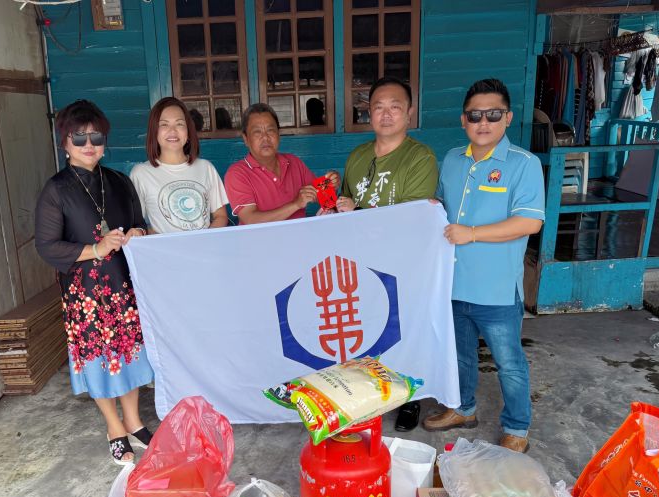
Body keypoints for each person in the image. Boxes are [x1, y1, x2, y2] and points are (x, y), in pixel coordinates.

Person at [422, 78, 544, 453]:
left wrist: (471, 233)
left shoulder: (524, 164)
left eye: (493, 114)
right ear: (464, 120)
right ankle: (463, 408)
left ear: (507, 118)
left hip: (496, 289)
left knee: (509, 364)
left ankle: (517, 427)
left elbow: (529, 222)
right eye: (475, 115)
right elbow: (441, 205)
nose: (483, 122)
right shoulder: (453, 160)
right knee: (459, 355)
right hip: (454, 285)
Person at [35, 100, 154, 465]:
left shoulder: (118, 181)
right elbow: (47, 246)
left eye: (96, 137)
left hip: (122, 285)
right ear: (65, 142)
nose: (89, 144)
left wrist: (136, 232)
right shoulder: (56, 190)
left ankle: (133, 421)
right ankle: (114, 427)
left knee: (129, 356)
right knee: (100, 361)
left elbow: (139, 223)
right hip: (84, 294)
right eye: (79, 137)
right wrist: (96, 247)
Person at [336, 77, 438, 432]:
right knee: (368, 332)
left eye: (395, 106)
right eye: (378, 106)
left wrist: (356, 210)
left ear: (409, 113)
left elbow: (411, 218)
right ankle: (372, 395)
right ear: (369, 113)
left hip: (404, 262)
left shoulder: (420, 157)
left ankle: (409, 400)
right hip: (362, 262)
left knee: (404, 332)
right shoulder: (358, 156)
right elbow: (344, 209)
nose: (386, 114)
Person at [224, 103, 339, 224]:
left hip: (299, 239)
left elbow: (321, 196)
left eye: (270, 130)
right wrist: (296, 204)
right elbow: (250, 219)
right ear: (246, 139)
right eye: (257, 132)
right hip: (259, 242)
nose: (265, 138)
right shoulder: (237, 174)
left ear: (278, 134)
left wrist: (331, 183)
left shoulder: (293, 162)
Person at [130, 97, 229, 234]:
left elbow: (221, 216)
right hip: (165, 253)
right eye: (164, 124)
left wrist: (204, 241)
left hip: (204, 251)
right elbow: (138, 225)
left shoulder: (205, 168)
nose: (172, 131)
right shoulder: (141, 173)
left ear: (188, 131)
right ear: (154, 131)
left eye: (179, 124)